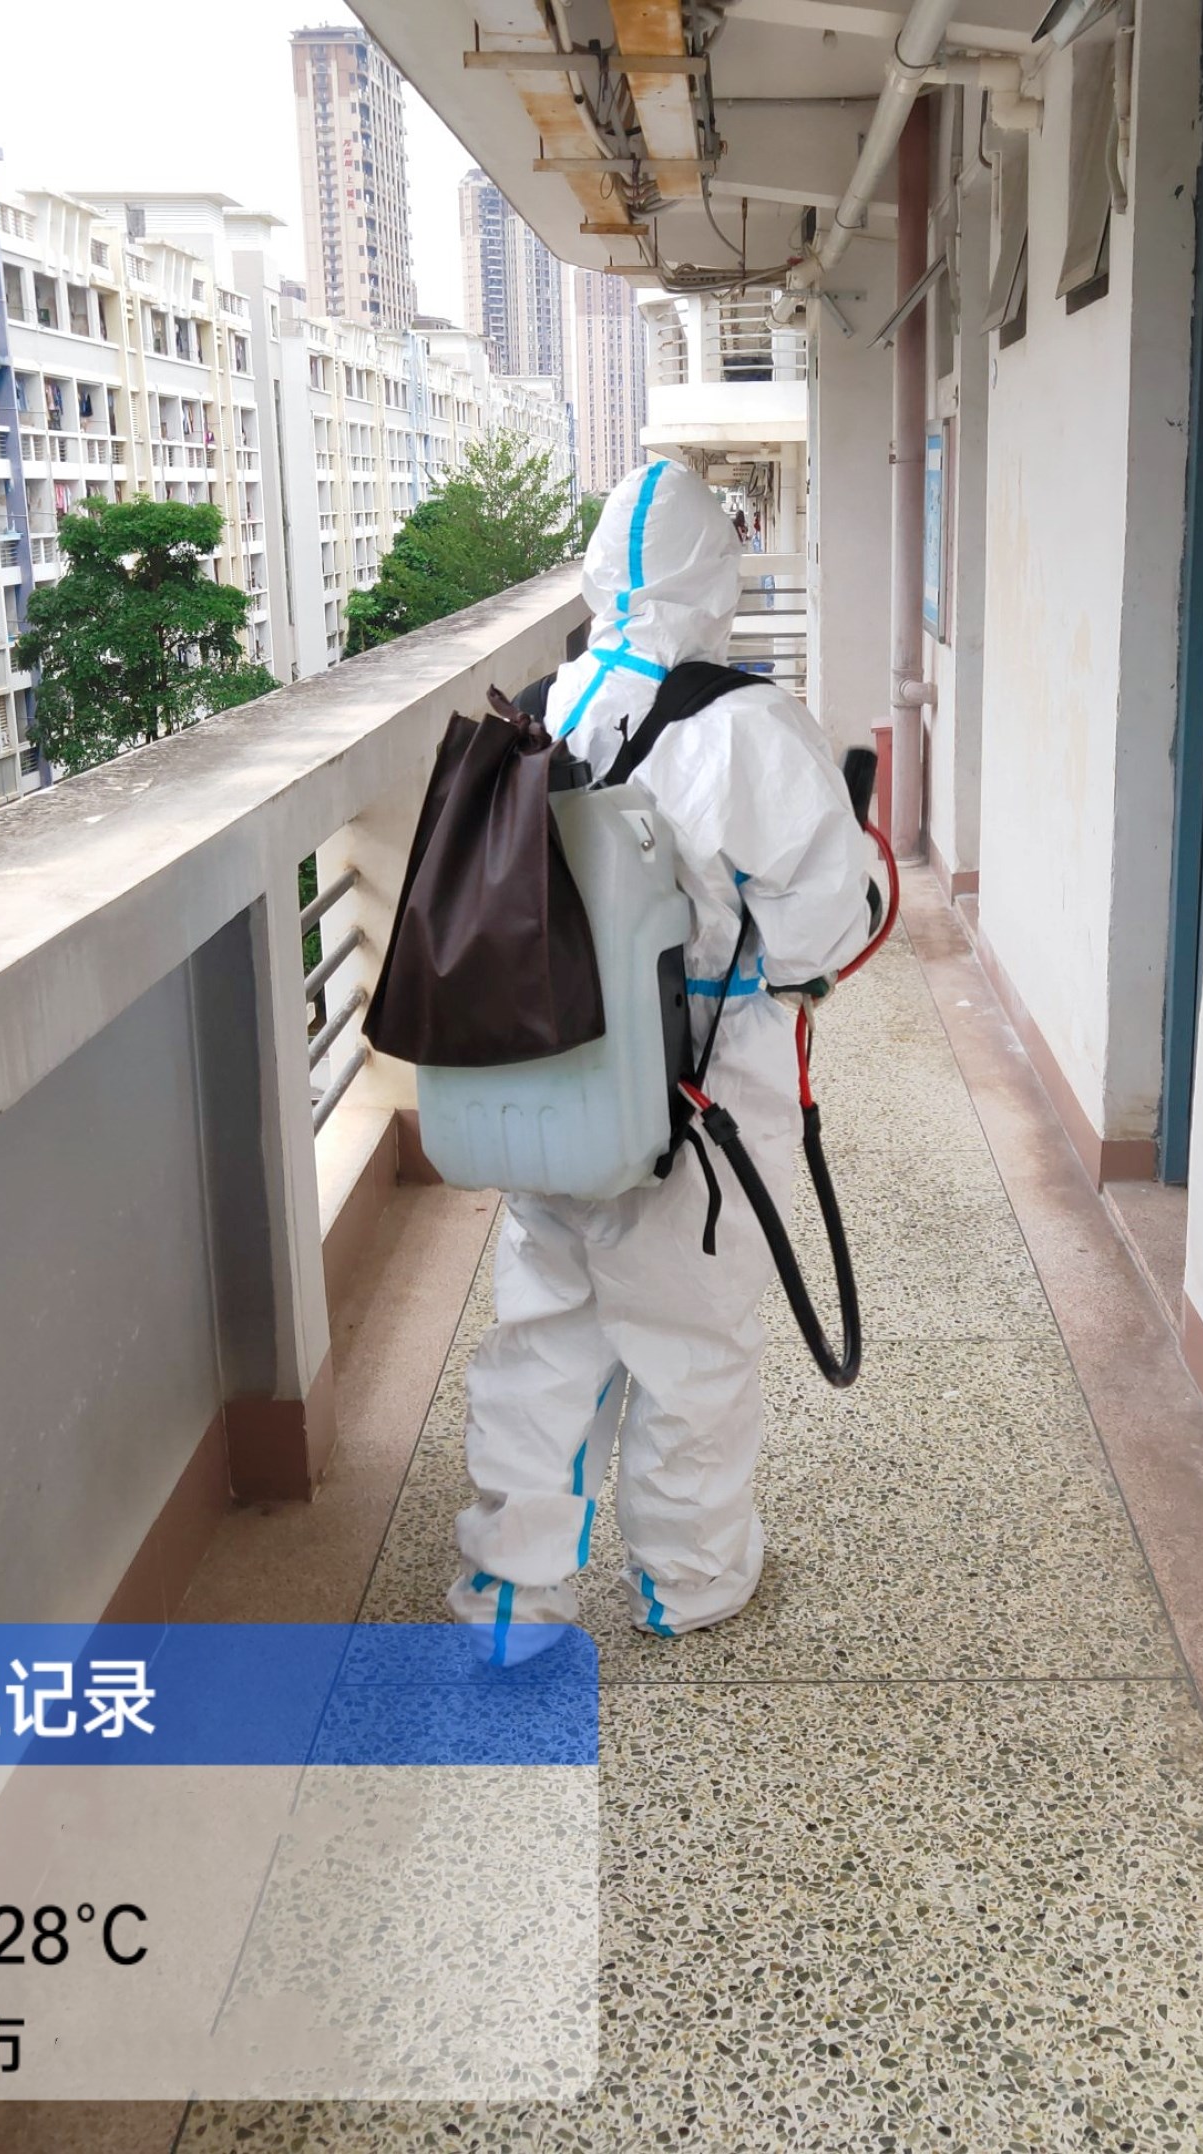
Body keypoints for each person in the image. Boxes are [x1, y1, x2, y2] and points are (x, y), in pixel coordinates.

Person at [449, 460, 880, 1647]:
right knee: (690, 1347)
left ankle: (509, 1601)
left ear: (598, 578)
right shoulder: (746, 726)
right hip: (703, 1100)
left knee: (543, 1344)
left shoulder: (533, 710)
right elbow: (821, 933)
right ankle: (687, 1585)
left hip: (549, 1087)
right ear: (718, 580)